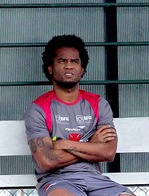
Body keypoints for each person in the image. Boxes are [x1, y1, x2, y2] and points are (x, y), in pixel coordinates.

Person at [23, 35, 134, 196]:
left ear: (82, 69)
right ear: (50, 68)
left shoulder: (98, 104)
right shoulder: (38, 109)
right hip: (58, 181)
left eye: (74, 61)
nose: (69, 66)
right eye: (62, 61)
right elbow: (47, 161)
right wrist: (92, 144)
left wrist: (64, 144)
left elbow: (108, 152)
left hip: (96, 180)